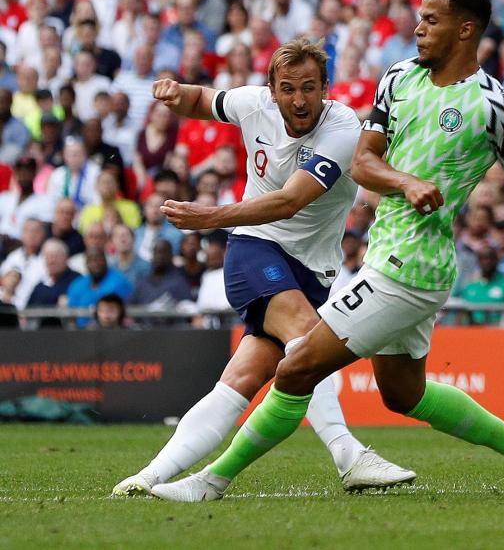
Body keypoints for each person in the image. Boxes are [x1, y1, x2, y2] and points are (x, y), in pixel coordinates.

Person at [150, 0, 504, 502]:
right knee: (403, 394)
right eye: (419, 17)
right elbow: (363, 162)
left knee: (297, 367)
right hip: (387, 251)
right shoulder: (398, 78)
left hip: (413, 264)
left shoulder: (496, 107)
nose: (418, 27)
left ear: (466, 29)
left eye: (431, 19)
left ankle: (212, 481)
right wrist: (404, 181)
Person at [114, 38, 413, 498]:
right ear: (272, 90)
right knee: (311, 339)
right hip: (256, 248)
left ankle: (148, 477)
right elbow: (202, 100)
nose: (299, 99)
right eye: (288, 88)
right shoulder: (253, 103)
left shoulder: (342, 128)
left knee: (240, 381)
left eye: (309, 88)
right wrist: (177, 92)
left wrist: (209, 217)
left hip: (312, 273)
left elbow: (291, 200)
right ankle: (348, 455)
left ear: (325, 88)